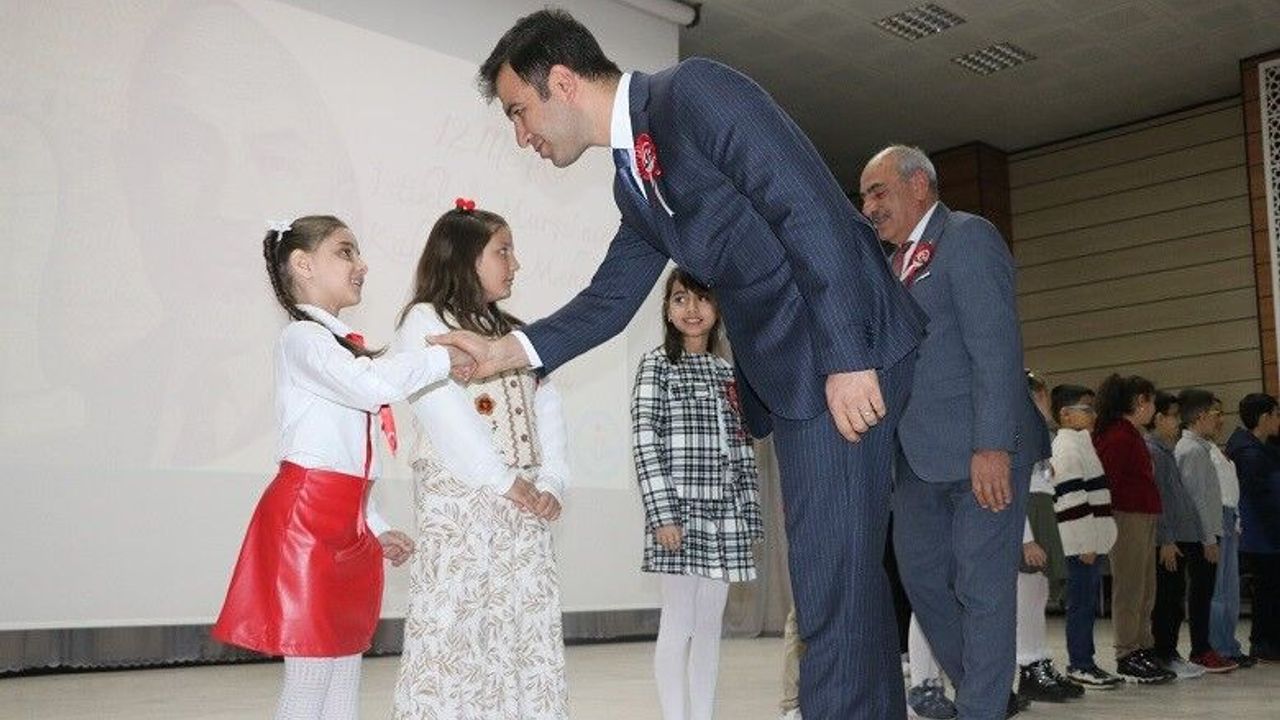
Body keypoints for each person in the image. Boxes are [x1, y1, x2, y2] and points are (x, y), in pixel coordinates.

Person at [448, 10, 926, 718]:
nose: (522, 136)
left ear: (563, 82)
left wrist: (848, 356)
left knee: (830, 594)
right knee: (846, 591)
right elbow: (610, 299)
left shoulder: (694, 93)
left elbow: (809, 209)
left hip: (840, 354)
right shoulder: (633, 182)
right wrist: (505, 351)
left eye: (520, 112)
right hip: (807, 371)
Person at [212, 216, 469, 720]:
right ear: (302, 264)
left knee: (344, 671)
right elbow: (369, 387)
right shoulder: (303, 339)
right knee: (311, 676)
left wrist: (374, 524)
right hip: (307, 523)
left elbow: (350, 456)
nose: (362, 265)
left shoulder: (334, 344)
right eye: (345, 251)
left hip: (344, 522)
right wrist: (443, 359)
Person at [859, 144, 1050, 720]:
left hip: (981, 450)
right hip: (917, 458)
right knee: (921, 580)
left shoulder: (968, 238)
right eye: (864, 197)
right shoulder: (891, 265)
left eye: (878, 192)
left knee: (982, 587)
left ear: (919, 185)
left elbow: (996, 348)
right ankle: (985, 696)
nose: (868, 207)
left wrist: (992, 445)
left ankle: (981, 708)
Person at [389, 201, 570, 719]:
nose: (515, 264)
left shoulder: (515, 334)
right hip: (463, 501)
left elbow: (548, 407)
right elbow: (442, 410)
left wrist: (552, 482)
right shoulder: (425, 321)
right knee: (457, 632)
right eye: (503, 251)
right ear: (466, 258)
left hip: (524, 504)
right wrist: (502, 479)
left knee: (521, 633)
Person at [632, 268, 762, 720]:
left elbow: (742, 448)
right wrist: (663, 514)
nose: (692, 309)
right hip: (679, 515)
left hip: (725, 517)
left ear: (718, 308)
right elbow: (645, 442)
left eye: (702, 299)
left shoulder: (728, 373)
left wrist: (748, 517)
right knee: (678, 622)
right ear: (667, 310)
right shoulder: (656, 365)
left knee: (708, 627)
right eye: (680, 299)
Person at [1092, 374, 1175, 684]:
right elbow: (1107, 482)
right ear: (1140, 402)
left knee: (1145, 588)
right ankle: (1127, 651)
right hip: (1126, 517)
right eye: (1151, 401)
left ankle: (1141, 646)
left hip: (1142, 515)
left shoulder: (1130, 434)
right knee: (1130, 588)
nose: (1153, 408)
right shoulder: (1118, 436)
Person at [1048, 384, 1122, 690]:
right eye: (1086, 409)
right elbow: (1071, 499)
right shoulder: (1066, 447)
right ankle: (1080, 664)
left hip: (1091, 540)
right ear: (1066, 414)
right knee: (1080, 605)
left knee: (1086, 604)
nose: (1094, 415)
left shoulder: (1082, 442)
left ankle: (1086, 661)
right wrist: (1086, 543)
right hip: (1081, 544)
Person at [1016, 374, 1080, 703]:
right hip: (1027, 514)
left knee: (1038, 596)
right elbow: (1013, 490)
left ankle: (1039, 658)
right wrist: (1026, 538)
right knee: (1026, 598)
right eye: (1041, 398)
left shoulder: (1039, 436)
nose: (1047, 405)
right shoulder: (1017, 433)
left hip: (1042, 508)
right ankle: (1028, 666)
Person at [1172, 389, 1238, 673]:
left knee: (1207, 589)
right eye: (1215, 413)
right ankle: (1201, 649)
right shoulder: (1192, 450)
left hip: (1209, 530)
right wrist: (1208, 538)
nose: (1219, 419)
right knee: (1202, 593)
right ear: (1200, 416)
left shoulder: (1201, 448)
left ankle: (1206, 647)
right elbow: (1196, 498)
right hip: (1201, 534)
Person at [1146, 392, 1211, 679]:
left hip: (1179, 536)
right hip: (1168, 540)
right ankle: (1164, 654)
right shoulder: (1153, 451)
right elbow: (1157, 499)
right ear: (1159, 418)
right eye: (1173, 416)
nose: (1178, 421)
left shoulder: (1166, 450)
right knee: (1167, 600)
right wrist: (1166, 539)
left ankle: (1170, 652)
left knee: (1174, 598)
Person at [1226, 393, 1280, 662]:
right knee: (1268, 590)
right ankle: (1263, 642)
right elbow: (1260, 500)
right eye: (1276, 414)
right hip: (1262, 536)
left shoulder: (1264, 449)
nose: (1279, 420)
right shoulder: (1249, 455)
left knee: (1271, 589)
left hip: (1267, 533)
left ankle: (1269, 640)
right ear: (1264, 417)